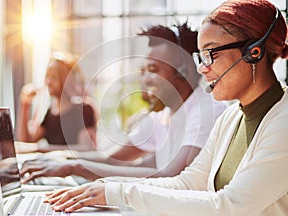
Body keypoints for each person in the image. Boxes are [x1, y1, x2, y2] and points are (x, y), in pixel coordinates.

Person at [43, 0, 288, 215]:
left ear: (252, 52)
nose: (203, 68)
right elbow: (187, 183)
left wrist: (118, 193)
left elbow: (228, 206)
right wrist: (108, 188)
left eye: (210, 54)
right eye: (200, 57)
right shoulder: (233, 117)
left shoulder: (282, 123)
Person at [20, 23, 226, 183]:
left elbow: (171, 178)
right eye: (143, 70)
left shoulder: (205, 111)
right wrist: (65, 161)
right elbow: (116, 159)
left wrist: (75, 168)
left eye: (153, 70)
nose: (144, 79)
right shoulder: (163, 116)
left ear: (184, 73)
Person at [16, 51, 98, 152]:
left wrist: (42, 150)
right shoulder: (50, 114)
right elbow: (26, 141)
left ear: (67, 79)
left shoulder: (84, 110)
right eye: (47, 76)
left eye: (54, 77)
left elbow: (86, 149)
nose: (48, 82)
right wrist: (25, 105)